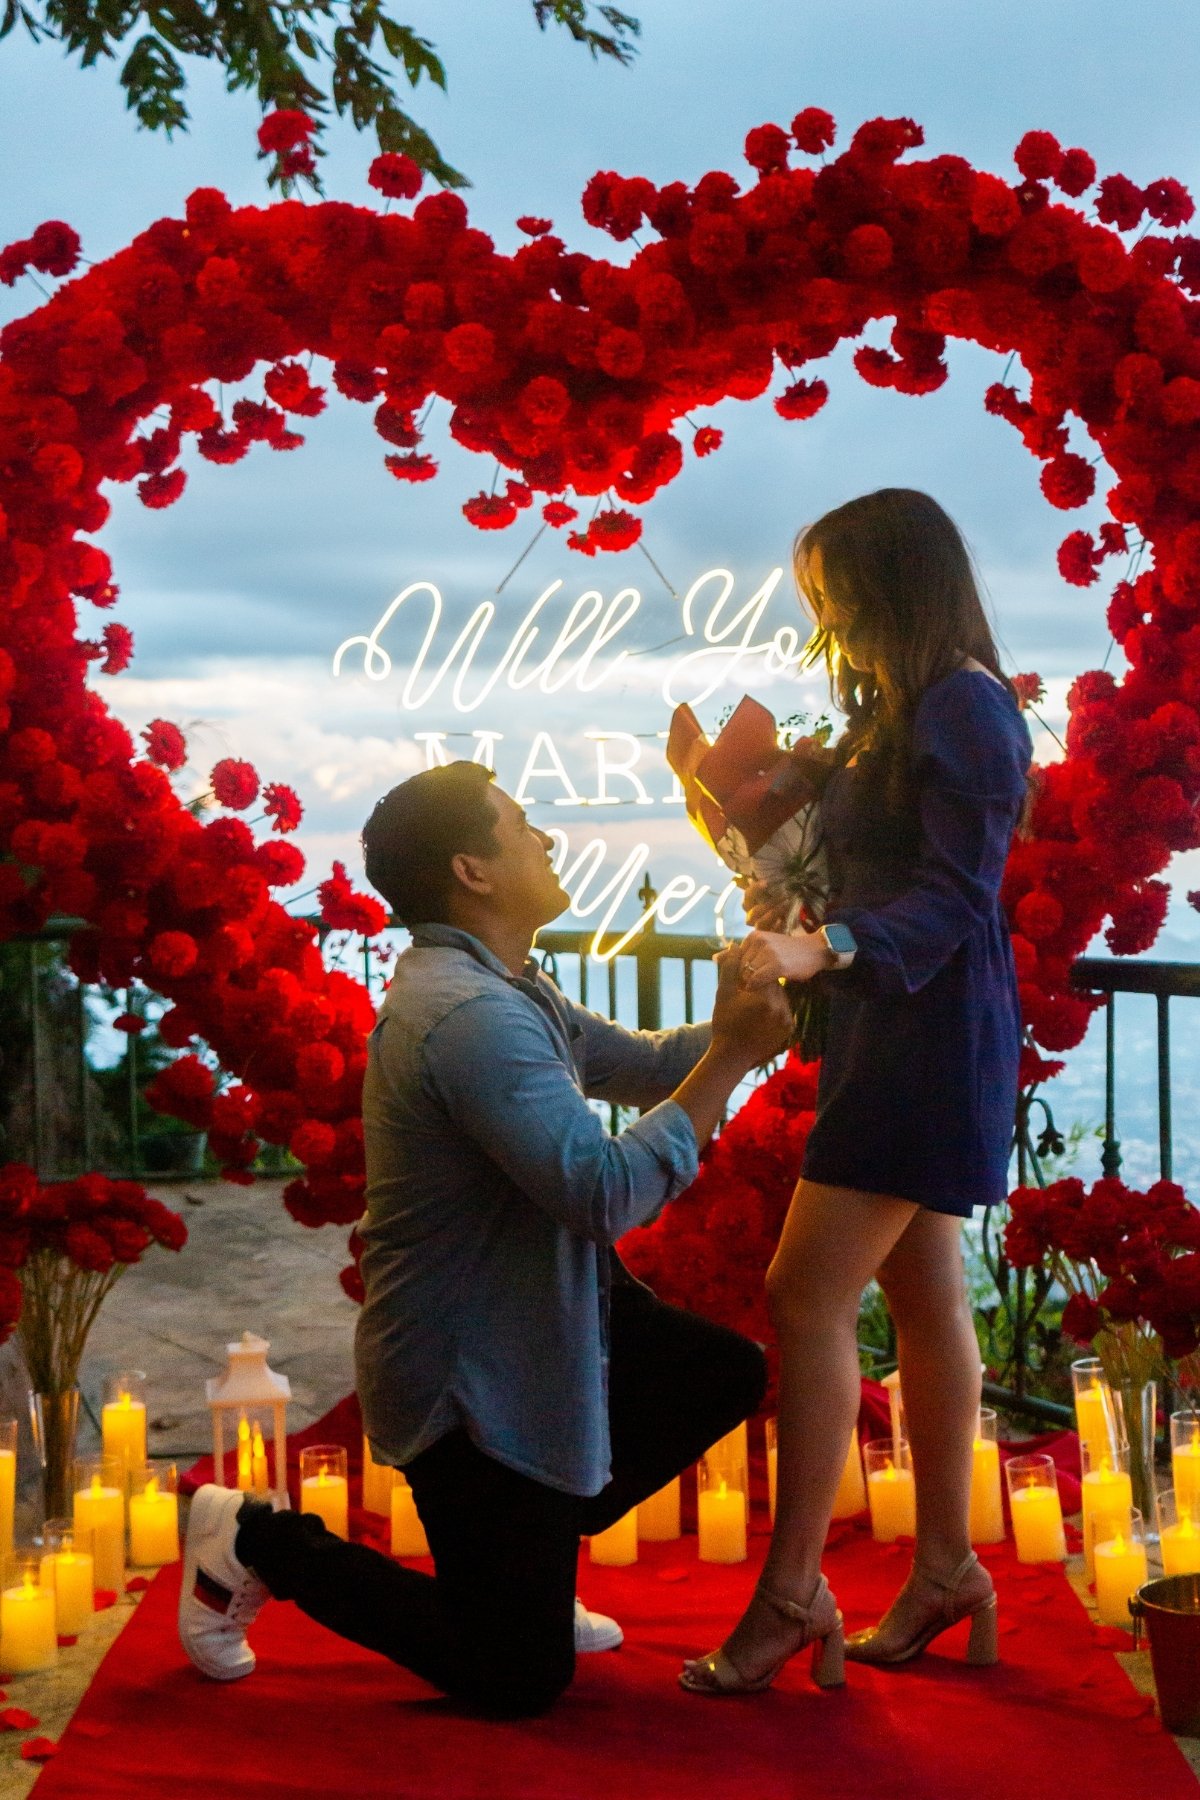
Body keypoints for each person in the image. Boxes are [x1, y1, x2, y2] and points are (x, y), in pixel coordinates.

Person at [180, 761, 791, 1716]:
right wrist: (730, 1058)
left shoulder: (505, 985)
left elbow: (647, 1067)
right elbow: (602, 1195)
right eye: (520, 825)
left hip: (538, 1329)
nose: (544, 839)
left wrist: (747, 1015)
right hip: (467, 1371)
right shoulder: (469, 1017)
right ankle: (253, 1539)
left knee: (716, 1372)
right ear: (472, 871)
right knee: (516, 1677)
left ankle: (530, 1564)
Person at [681, 487, 1033, 1697]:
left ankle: (793, 1593)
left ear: (896, 586)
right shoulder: (908, 708)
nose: (826, 619)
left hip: (930, 1035)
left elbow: (959, 894)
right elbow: (886, 873)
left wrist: (824, 945)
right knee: (926, 1299)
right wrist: (796, 890)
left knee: (804, 1292)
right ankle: (945, 1570)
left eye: (835, 596)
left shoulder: (968, 706)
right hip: (898, 1024)